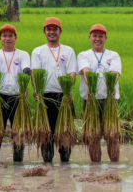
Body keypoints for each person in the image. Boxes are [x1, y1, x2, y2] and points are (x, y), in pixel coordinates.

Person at [31, 17, 77, 163]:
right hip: (44, 96)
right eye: (48, 29)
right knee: (46, 132)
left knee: (64, 132)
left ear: (60, 31)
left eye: (55, 29)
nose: (52, 32)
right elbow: (35, 73)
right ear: (44, 32)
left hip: (63, 96)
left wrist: (68, 92)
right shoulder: (38, 51)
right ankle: (47, 163)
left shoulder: (68, 51)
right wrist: (37, 90)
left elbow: (72, 73)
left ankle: (65, 164)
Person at [0, 25, 31, 163]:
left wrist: (24, 87)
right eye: (4, 36)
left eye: (11, 35)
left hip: (18, 98)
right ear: (0, 39)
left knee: (18, 132)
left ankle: (18, 163)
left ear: (16, 38)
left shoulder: (23, 54)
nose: (8, 38)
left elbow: (27, 70)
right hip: (0, 97)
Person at [77, 24, 121, 163]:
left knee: (112, 135)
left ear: (106, 38)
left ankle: (114, 169)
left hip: (109, 100)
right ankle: (95, 169)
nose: (97, 39)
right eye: (94, 36)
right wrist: (91, 88)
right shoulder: (84, 55)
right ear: (89, 38)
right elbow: (86, 71)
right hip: (90, 101)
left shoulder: (113, 55)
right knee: (93, 136)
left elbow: (114, 74)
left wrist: (110, 87)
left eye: (101, 36)